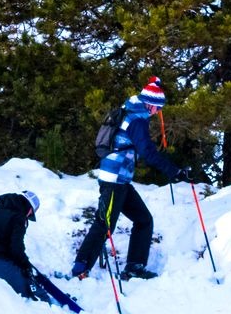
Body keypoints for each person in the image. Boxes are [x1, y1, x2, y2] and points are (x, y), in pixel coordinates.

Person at [70, 76, 187, 281]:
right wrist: (173, 171)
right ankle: (80, 267)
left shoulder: (131, 112)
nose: (158, 112)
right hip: (113, 179)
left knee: (143, 220)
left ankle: (134, 266)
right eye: (157, 108)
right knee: (105, 223)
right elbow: (147, 151)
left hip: (121, 180)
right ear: (150, 105)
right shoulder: (136, 120)